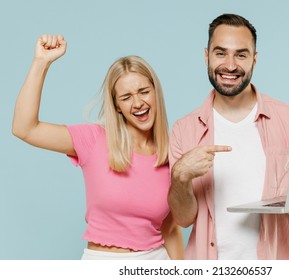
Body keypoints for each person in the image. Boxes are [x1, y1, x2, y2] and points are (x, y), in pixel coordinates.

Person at [168, 14, 289, 260]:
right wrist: (180, 176)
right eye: (220, 53)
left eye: (241, 54)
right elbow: (183, 220)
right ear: (207, 56)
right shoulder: (184, 129)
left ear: (254, 60)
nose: (230, 65)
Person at [12, 34, 183, 260]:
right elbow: (25, 128)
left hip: (156, 261)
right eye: (126, 97)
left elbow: (170, 229)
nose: (138, 103)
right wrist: (41, 62)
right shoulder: (94, 139)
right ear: (117, 106)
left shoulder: (172, 154)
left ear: (155, 92)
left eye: (144, 92)